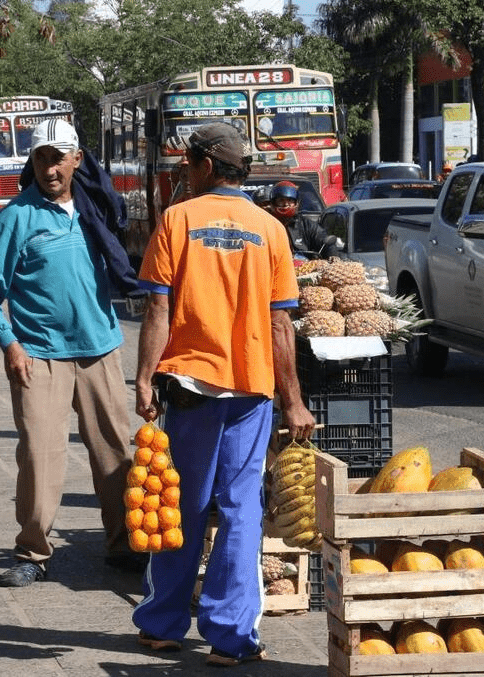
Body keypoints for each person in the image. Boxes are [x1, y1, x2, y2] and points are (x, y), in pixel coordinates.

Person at [133, 122, 316, 666]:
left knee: (181, 504)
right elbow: (281, 326)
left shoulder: (177, 220)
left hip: (189, 386)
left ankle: (163, 624)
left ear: (207, 166)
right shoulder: (270, 230)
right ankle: (230, 638)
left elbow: (158, 309)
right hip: (250, 390)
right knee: (240, 511)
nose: (184, 174)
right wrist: (294, 401)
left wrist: (144, 378)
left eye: (188, 164)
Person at [0, 118, 142, 587]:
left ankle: (123, 544)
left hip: (101, 347)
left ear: (77, 160)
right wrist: (9, 342)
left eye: (58, 157)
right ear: (33, 162)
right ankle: (33, 552)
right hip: (39, 354)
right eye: (41, 158)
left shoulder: (96, 209)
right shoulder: (17, 216)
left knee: (113, 454)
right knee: (40, 455)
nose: (49, 168)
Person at [270, 180, 339, 258]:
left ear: (296, 202)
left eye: (290, 200)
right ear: (273, 203)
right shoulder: (267, 225)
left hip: (303, 267)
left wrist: (333, 258)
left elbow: (325, 242)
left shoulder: (307, 225)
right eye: (281, 200)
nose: (285, 204)